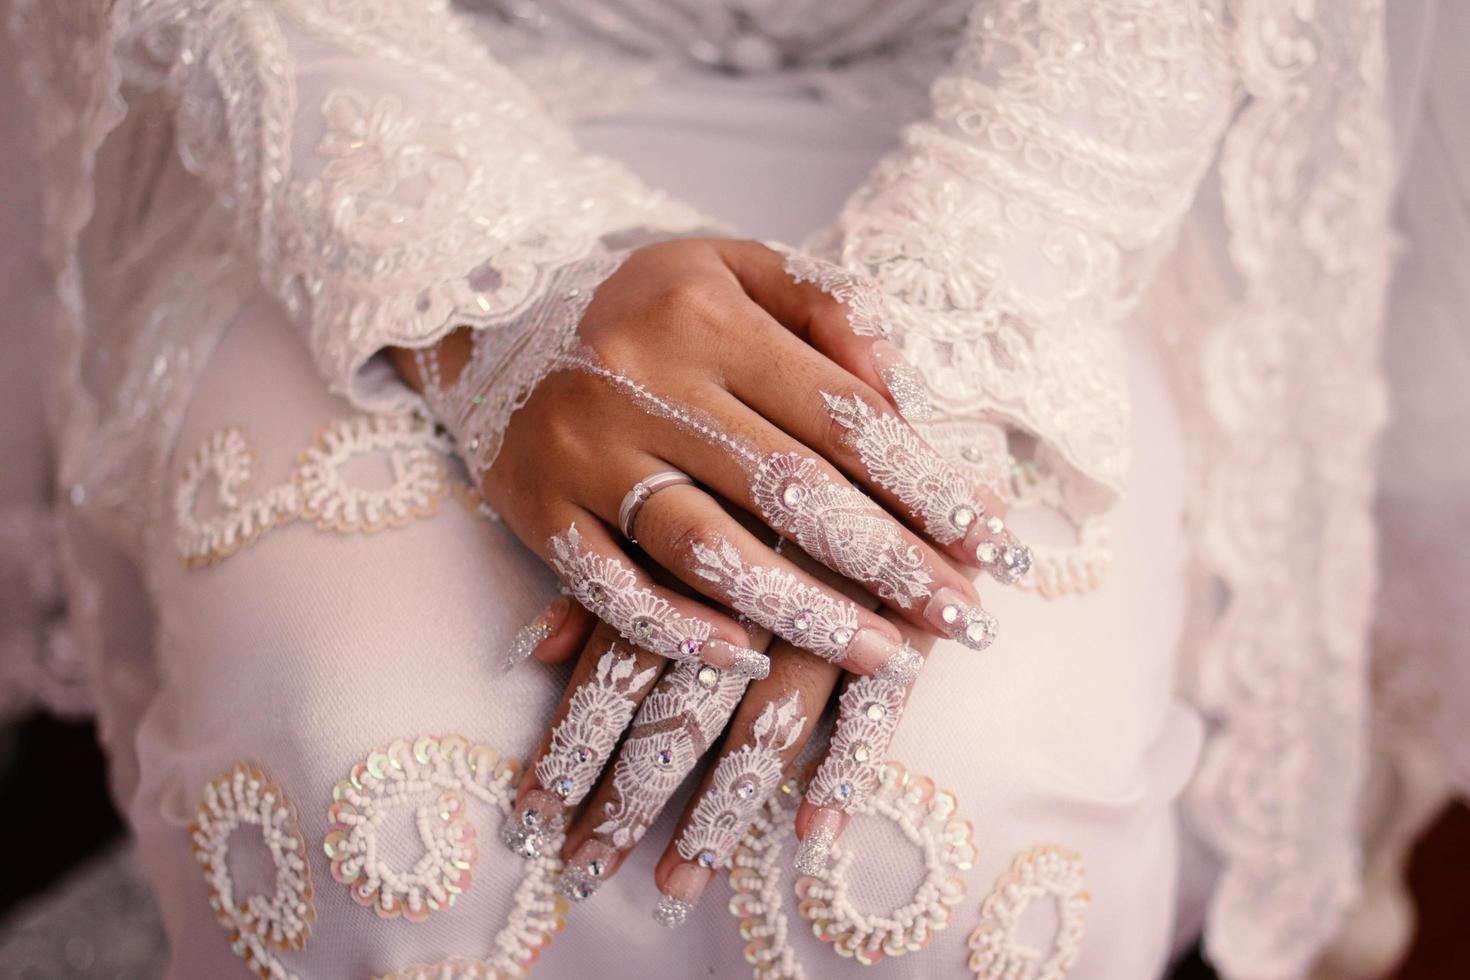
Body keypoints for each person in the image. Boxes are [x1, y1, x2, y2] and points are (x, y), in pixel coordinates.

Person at [7, 1, 1448, 977]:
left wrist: (888, 399)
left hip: (1013, 120)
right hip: (415, 89)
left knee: (967, 806)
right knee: (365, 763)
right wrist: (496, 294)